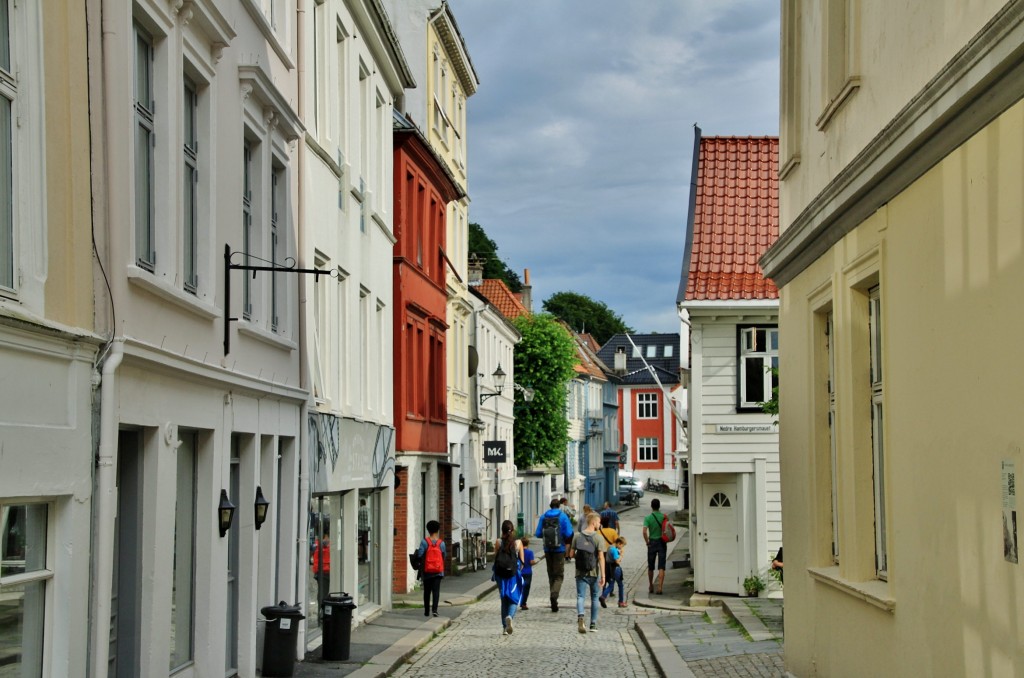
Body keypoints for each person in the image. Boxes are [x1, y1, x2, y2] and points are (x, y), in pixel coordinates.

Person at [535, 498, 575, 612]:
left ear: (550, 506)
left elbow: (538, 533)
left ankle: (553, 597)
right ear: (559, 506)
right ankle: (554, 595)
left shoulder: (543, 516)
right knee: (558, 575)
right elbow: (569, 533)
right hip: (559, 549)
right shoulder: (563, 516)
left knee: (551, 574)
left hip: (547, 549)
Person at [570, 511, 606, 633]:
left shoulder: (577, 536)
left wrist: (580, 557)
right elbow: (601, 557)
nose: (600, 524)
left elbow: (571, 554)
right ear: (594, 522)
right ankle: (593, 625)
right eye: (599, 522)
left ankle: (581, 615)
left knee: (581, 596)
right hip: (594, 572)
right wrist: (603, 576)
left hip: (580, 572)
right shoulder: (598, 538)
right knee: (595, 598)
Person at [493, 520, 525, 635]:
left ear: (502, 530)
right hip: (513, 575)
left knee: (504, 600)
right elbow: (522, 562)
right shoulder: (518, 543)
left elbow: (496, 558)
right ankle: (510, 617)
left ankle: (504, 627)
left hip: (501, 576)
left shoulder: (498, 542)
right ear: (513, 530)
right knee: (514, 598)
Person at [416, 520, 446, 617]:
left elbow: (420, 555)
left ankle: (426, 611)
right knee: (436, 591)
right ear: (438, 530)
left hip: (427, 570)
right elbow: (443, 556)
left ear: (428, 530)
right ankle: (435, 610)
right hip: (438, 571)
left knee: (427, 591)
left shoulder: (424, 542)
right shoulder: (441, 543)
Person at [642, 498, 668, 595]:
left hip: (652, 542)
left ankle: (651, 586)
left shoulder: (647, 518)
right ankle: (660, 587)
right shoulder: (664, 517)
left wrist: (647, 542)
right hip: (662, 542)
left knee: (651, 566)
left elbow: (644, 532)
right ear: (659, 506)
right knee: (661, 566)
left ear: (651, 506)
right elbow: (667, 529)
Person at [602, 536, 628, 608]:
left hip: (609, 569)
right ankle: (621, 602)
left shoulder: (610, 548)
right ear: (619, 543)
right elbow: (617, 561)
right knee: (620, 585)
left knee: (611, 584)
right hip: (615, 569)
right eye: (622, 545)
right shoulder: (614, 550)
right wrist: (621, 555)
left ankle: (603, 596)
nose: (622, 548)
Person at [519, 536, 537, 610]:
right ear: (528, 543)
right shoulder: (530, 552)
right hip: (528, 572)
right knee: (526, 588)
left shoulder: (518, 552)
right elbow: (531, 562)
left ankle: (518, 600)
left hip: (520, 572)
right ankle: (523, 603)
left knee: (520, 587)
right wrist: (535, 562)